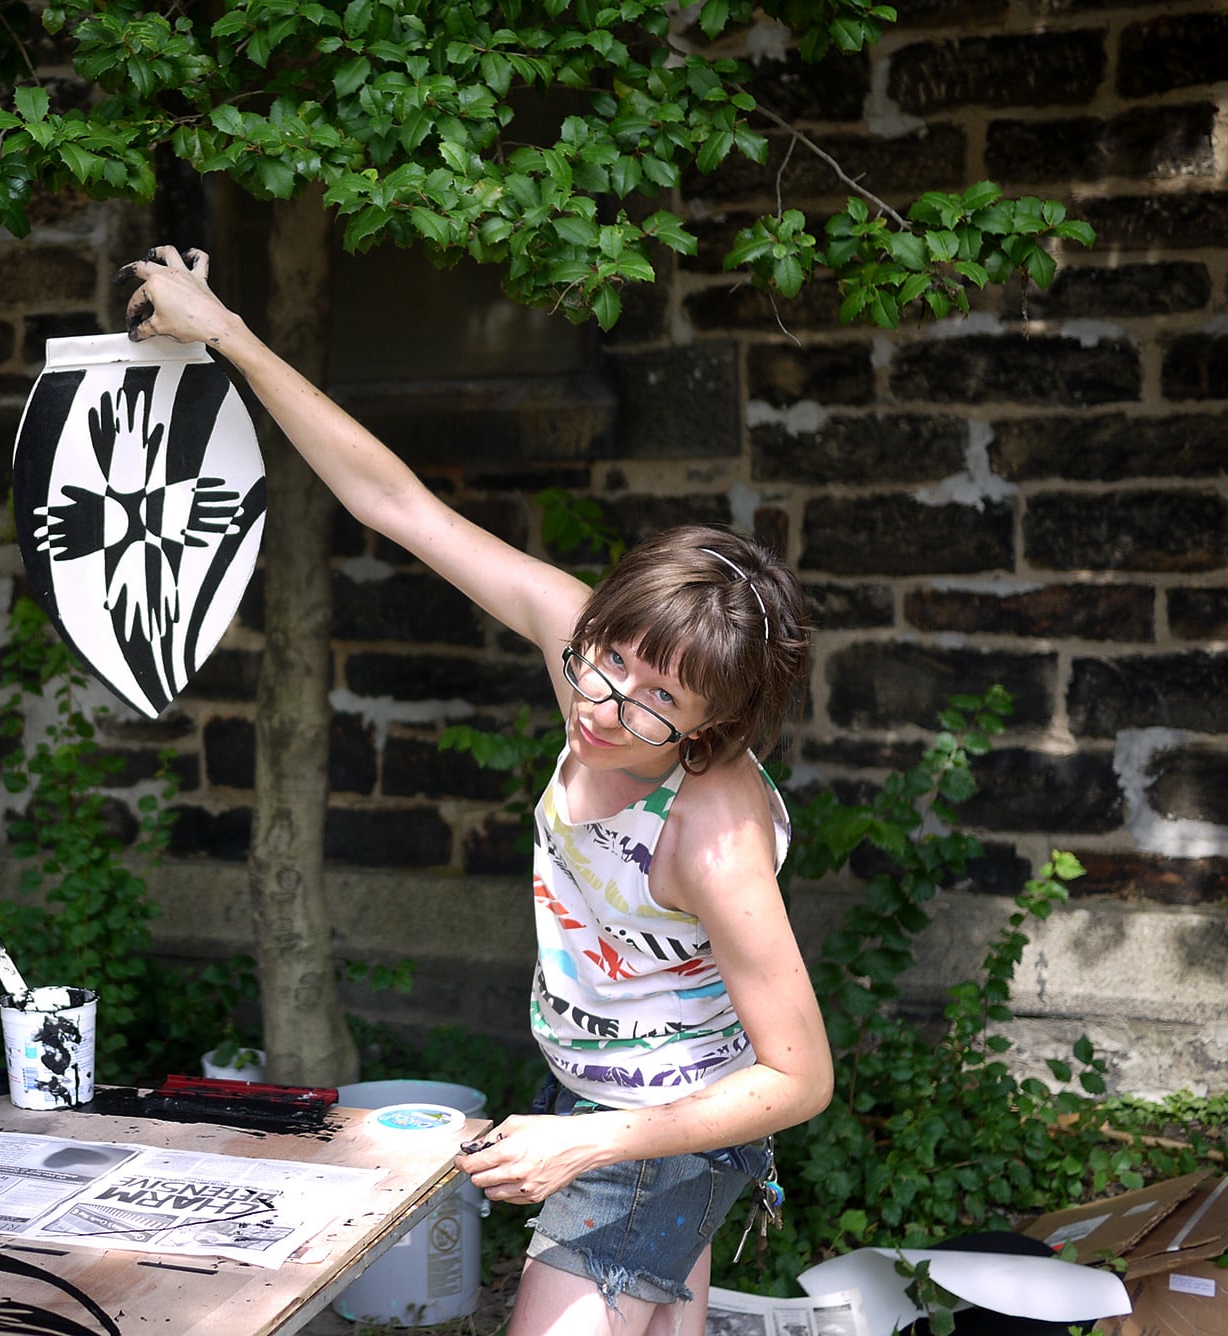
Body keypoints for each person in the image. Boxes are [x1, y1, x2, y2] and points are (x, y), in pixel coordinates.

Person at [122, 246, 833, 1335]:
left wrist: (586, 1141)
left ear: (711, 728)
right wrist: (227, 333)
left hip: (663, 1124)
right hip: (600, 1096)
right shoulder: (585, 656)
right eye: (607, 660)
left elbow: (798, 1076)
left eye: (658, 701)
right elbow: (394, 502)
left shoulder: (710, 832)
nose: (605, 707)